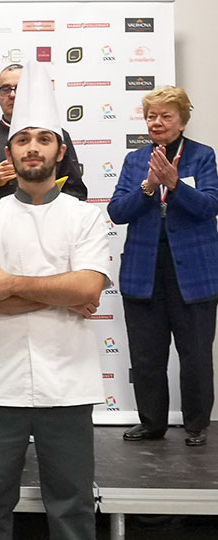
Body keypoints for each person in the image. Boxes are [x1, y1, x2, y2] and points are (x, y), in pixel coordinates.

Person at [0, 61, 110, 540]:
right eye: (23, 140)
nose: (33, 148)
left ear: (60, 151)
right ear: (9, 151)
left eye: (43, 139)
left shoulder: (84, 217)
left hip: (68, 384)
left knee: (71, 507)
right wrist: (60, 292)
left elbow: (90, 289)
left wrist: (14, 285)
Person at [108, 86, 218, 447]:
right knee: (146, 355)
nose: (157, 122)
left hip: (194, 273)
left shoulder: (202, 156)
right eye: (151, 116)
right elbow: (117, 211)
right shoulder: (135, 160)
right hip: (144, 271)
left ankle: (197, 425)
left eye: (166, 116)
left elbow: (209, 206)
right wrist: (148, 186)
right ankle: (152, 423)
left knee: (196, 354)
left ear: (183, 120)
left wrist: (175, 185)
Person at [0, 63, 86, 210]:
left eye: (20, 88)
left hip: (52, 224)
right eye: (5, 89)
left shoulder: (56, 135)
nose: (13, 94)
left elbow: (76, 191)